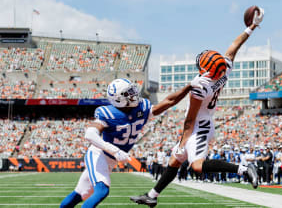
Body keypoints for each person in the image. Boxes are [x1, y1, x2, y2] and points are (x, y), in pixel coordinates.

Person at [130, 7, 264, 207]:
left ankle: (244, 169)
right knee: (175, 161)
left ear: (205, 69)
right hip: (204, 120)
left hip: (199, 127)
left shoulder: (201, 86)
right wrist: (252, 27)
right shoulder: (224, 69)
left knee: (197, 166)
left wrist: (184, 140)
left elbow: (190, 119)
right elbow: (234, 47)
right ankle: (152, 195)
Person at [59, 77, 209, 208]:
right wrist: (114, 150)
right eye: (127, 93)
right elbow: (90, 134)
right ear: (117, 99)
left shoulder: (141, 107)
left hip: (110, 159)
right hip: (98, 154)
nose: (133, 95)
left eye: (132, 91)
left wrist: (189, 86)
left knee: (81, 193)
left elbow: (169, 101)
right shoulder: (108, 113)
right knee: (102, 191)